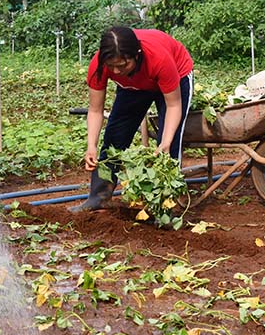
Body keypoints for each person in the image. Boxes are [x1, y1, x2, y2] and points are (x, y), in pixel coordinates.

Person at [69, 26, 194, 213]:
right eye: (112, 66)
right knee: (114, 139)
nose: (116, 71)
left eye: (122, 65)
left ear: (137, 55)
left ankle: (167, 206)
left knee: (168, 145)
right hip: (133, 85)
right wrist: (91, 146)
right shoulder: (100, 65)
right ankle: (99, 196)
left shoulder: (158, 59)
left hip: (176, 76)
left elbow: (174, 106)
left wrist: (166, 142)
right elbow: (95, 110)